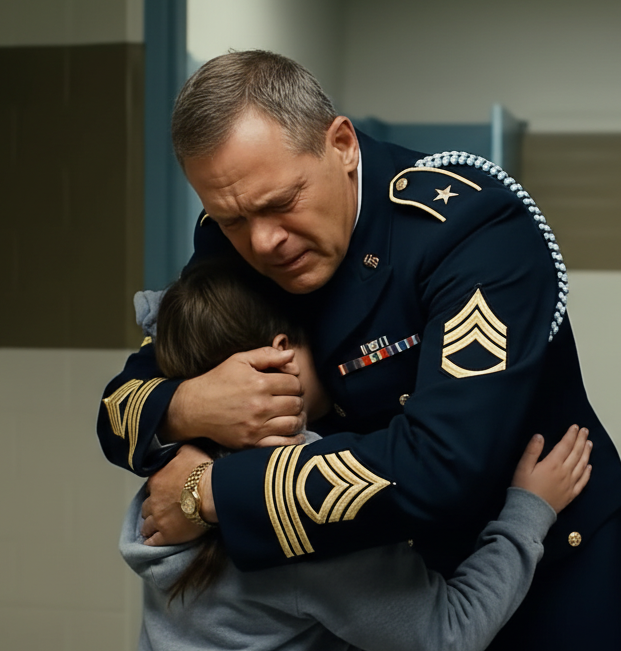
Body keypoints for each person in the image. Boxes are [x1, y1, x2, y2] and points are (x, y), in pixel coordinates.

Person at [98, 50, 621, 649]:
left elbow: (441, 467)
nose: (263, 241)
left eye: (282, 202)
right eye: (230, 219)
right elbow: (119, 408)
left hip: (554, 570)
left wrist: (210, 493)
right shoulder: (238, 233)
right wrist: (192, 406)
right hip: (389, 591)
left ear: (343, 145)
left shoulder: (470, 229)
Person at [122, 255, 593, 651]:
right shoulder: (298, 499)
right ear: (281, 351)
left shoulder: (174, 460)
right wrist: (529, 511)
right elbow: (449, 633)